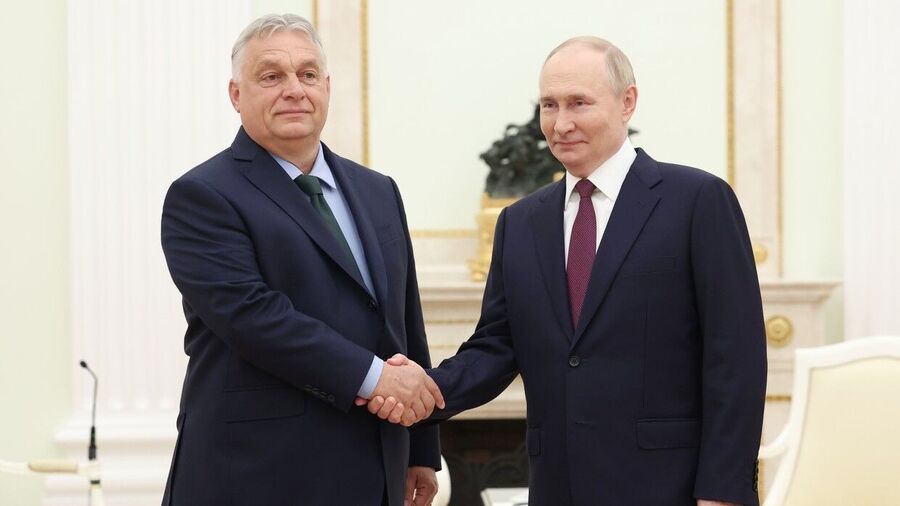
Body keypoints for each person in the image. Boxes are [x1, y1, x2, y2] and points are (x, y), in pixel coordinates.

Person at [364, 37, 767, 506]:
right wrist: (424, 389)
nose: (561, 123)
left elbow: (736, 358)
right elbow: (496, 347)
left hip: (669, 487)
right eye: (549, 106)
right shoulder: (519, 223)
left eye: (579, 103)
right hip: (559, 486)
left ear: (627, 101)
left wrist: (724, 492)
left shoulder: (698, 201)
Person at [160, 14, 443, 506]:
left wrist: (421, 444)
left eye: (308, 74)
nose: (294, 89)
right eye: (271, 76)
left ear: (327, 88)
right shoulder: (201, 196)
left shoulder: (378, 192)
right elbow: (254, 317)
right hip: (257, 473)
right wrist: (379, 378)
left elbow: (403, 321)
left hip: (375, 467)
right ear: (236, 94)